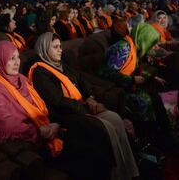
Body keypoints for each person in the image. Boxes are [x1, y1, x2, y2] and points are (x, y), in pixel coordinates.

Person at [0, 41, 114, 180]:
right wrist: (40, 131)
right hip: (36, 140)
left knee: (94, 135)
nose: (17, 62)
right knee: (91, 155)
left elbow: (41, 107)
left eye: (17, 57)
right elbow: (7, 125)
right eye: (11, 58)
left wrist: (55, 123)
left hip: (50, 127)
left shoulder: (20, 79)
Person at [28, 32, 139, 180]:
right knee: (108, 127)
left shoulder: (60, 65)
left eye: (60, 46)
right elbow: (58, 101)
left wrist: (90, 98)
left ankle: (130, 172)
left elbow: (81, 79)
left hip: (82, 107)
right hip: (67, 115)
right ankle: (117, 175)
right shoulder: (40, 73)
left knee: (115, 118)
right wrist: (87, 107)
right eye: (55, 47)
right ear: (43, 49)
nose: (60, 50)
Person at [99, 21, 177, 147]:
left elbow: (133, 69)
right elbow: (106, 73)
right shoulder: (123, 48)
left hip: (126, 84)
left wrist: (152, 77)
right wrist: (132, 80)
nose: (151, 47)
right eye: (150, 43)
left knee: (157, 96)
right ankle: (152, 139)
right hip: (116, 88)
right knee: (146, 101)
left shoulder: (133, 46)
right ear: (143, 38)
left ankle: (163, 134)